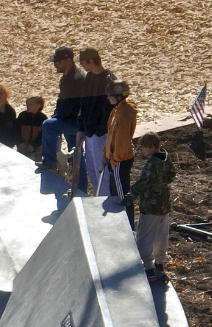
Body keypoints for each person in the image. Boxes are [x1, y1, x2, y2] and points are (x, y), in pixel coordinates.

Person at [124, 132, 175, 285]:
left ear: (152, 148)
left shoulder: (152, 163)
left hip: (150, 205)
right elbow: (171, 175)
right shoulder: (166, 157)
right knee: (161, 236)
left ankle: (148, 268)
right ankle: (160, 264)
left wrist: (129, 196)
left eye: (145, 148)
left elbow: (143, 182)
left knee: (144, 237)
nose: (142, 151)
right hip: (164, 204)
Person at [36, 46, 86, 190]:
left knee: (48, 125)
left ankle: (50, 162)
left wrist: (56, 119)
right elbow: (61, 102)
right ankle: (80, 188)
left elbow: (66, 106)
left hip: (75, 122)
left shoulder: (75, 79)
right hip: (71, 120)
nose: (55, 65)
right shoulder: (68, 77)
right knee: (77, 154)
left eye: (57, 62)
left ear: (68, 60)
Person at [75, 47, 115, 196]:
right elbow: (83, 105)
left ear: (91, 61)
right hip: (89, 133)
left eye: (83, 62)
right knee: (92, 169)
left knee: (102, 173)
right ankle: (99, 198)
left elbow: (108, 111)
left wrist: (98, 131)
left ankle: (106, 201)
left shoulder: (108, 80)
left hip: (101, 135)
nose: (82, 66)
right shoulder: (89, 78)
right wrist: (81, 128)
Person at [103, 78, 137, 227]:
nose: (107, 98)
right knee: (115, 192)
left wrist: (114, 160)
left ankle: (128, 226)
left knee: (122, 195)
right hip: (114, 158)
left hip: (120, 160)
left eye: (109, 95)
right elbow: (111, 135)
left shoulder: (123, 115)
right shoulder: (117, 111)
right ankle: (120, 224)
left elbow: (122, 143)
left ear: (117, 96)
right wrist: (105, 154)